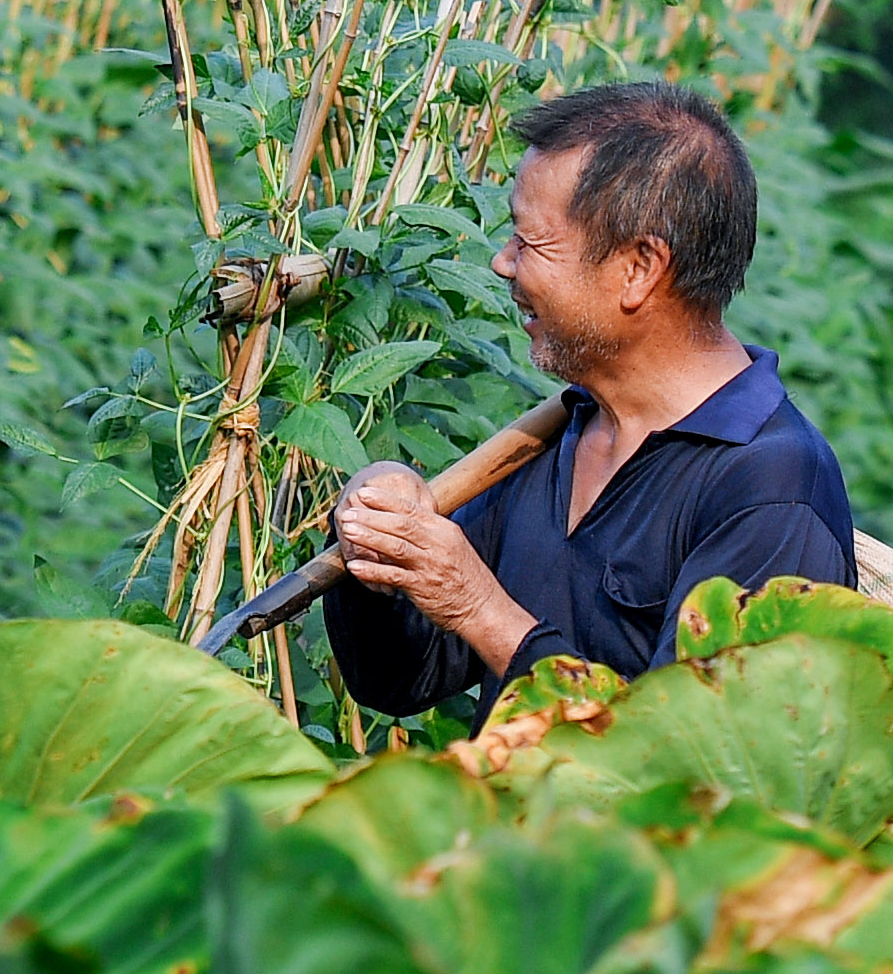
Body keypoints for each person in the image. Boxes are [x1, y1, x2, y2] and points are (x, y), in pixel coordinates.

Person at [323, 81, 853, 722]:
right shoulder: (559, 436)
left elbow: (695, 761)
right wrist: (379, 529)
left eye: (531, 242)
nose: (502, 263)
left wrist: (481, 609)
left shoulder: (771, 488)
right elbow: (401, 679)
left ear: (639, 269)